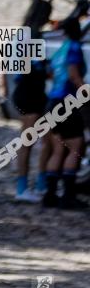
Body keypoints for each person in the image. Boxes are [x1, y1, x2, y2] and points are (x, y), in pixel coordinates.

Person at [2, 0, 53, 202]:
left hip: (26, 92)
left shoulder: (21, 34)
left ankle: (40, 183)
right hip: (30, 93)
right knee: (30, 142)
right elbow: (35, 67)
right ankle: (23, 188)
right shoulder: (33, 37)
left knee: (46, 140)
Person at [42, 16, 88, 209]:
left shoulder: (61, 47)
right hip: (67, 101)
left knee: (59, 148)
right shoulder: (74, 47)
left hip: (53, 100)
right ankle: (68, 196)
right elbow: (73, 74)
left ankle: (50, 194)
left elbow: (51, 72)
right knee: (76, 145)